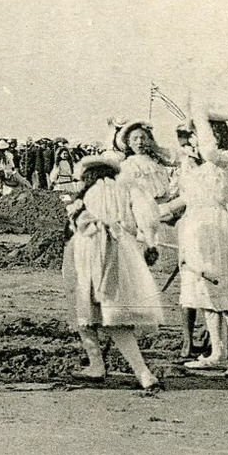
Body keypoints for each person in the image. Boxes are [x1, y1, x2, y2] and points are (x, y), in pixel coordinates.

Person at [162, 104, 228, 375]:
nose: (191, 144)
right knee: (203, 292)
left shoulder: (225, 157)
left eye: (196, 137)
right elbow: (188, 198)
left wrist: (200, 117)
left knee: (225, 293)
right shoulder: (196, 166)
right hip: (195, 228)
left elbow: (207, 151)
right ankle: (218, 352)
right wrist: (158, 212)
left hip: (218, 229)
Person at [63, 153, 163, 391]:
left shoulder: (88, 194)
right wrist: (148, 242)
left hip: (91, 250)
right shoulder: (122, 189)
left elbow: (79, 224)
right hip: (121, 248)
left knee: (86, 309)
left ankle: (98, 365)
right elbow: (145, 216)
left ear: (88, 175)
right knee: (115, 315)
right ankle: (142, 372)